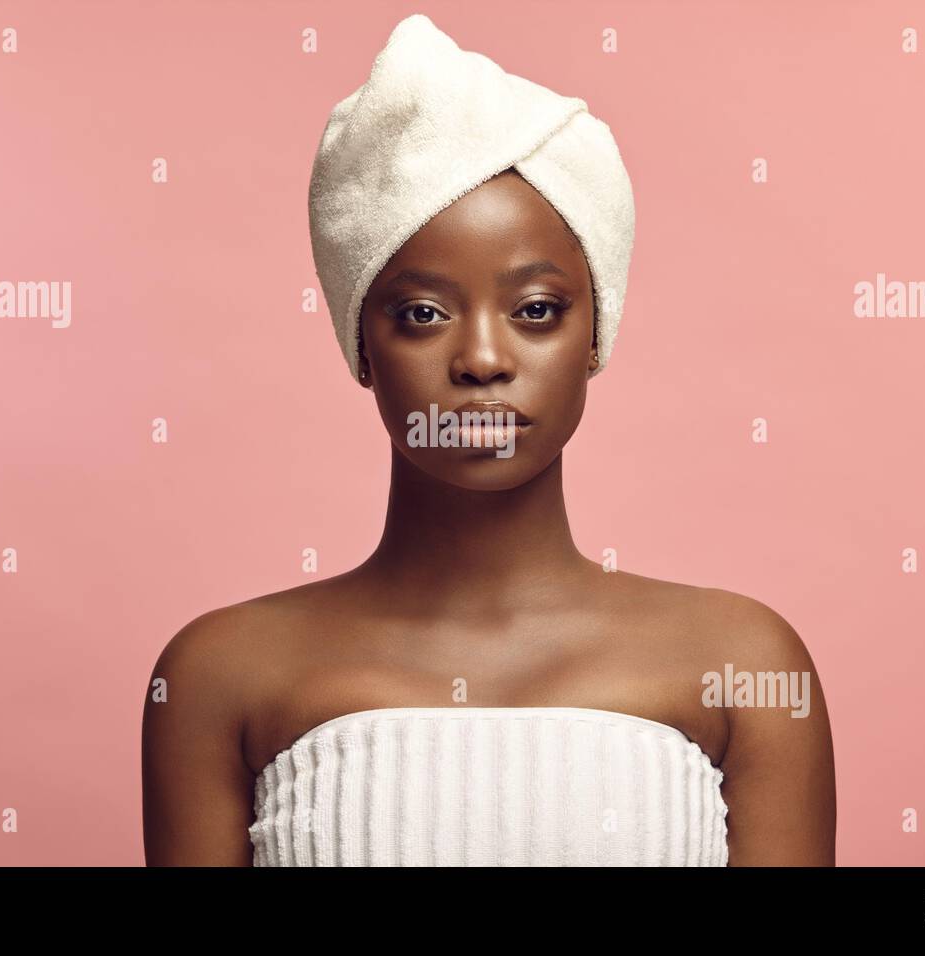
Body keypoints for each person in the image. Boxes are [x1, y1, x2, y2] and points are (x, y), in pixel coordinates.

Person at [142, 13, 835, 866]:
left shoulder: (745, 668)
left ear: (595, 335)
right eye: (422, 314)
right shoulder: (219, 677)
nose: (480, 359)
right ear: (361, 342)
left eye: (535, 310)